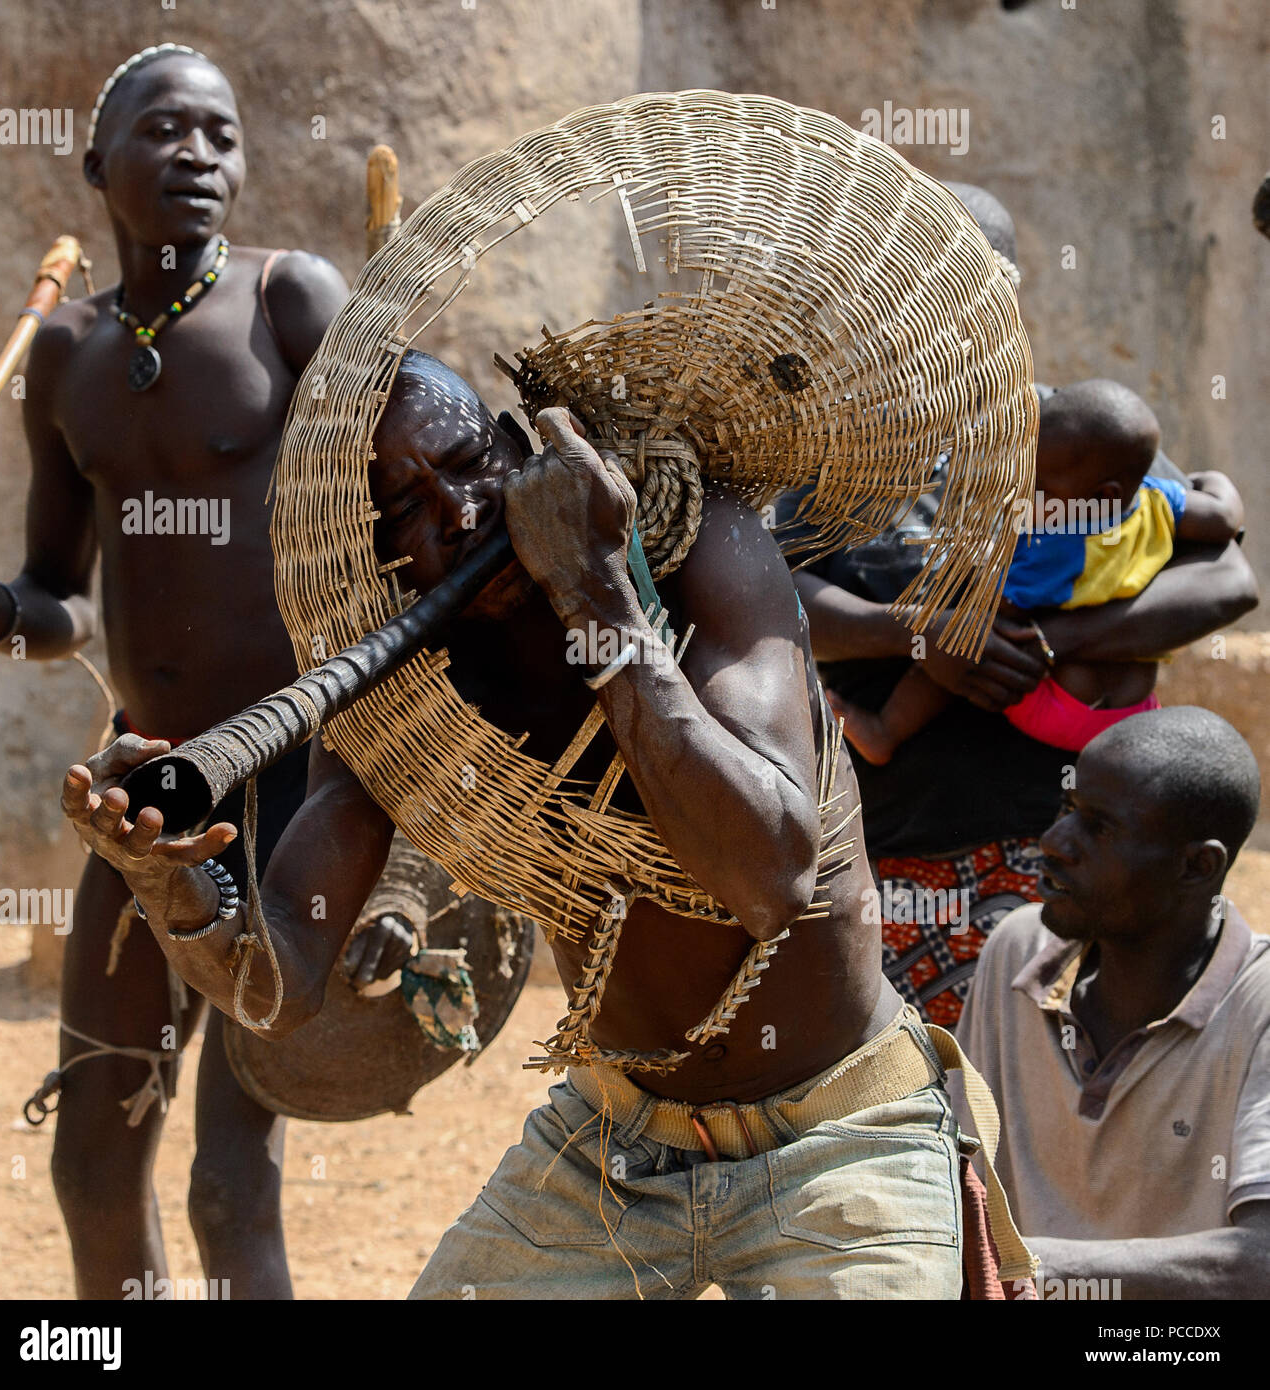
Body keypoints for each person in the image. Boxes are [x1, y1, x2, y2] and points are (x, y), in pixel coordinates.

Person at [61, 352, 1028, 1300]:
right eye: (404, 510)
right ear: (374, 555)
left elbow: (771, 876)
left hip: (837, 1131)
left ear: (525, 452)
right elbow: (280, 990)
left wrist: (597, 592)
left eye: (471, 464)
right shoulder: (402, 699)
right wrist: (167, 878)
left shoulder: (695, 546)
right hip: (615, 1144)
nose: (460, 514)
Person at [0, 44, 381, 1298]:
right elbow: (61, 604)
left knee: (226, 1178)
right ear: (98, 166)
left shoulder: (288, 301)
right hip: (145, 798)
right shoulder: (66, 355)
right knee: (94, 1159)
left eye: (221, 135)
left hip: (289, 789)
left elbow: (406, 498)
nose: (198, 156)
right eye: (164, 131)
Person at [793, 184, 1259, 1026]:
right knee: (911, 1133)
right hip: (882, 863)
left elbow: (1225, 579)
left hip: (1059, 856)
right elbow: (767, 597)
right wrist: (920, 634)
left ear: (1001, 297)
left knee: (1053, 1128)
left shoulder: (1070, 438)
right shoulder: (830, 452)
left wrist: (1048, 636)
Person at [950, 707, 1270, 1299]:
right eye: (1067, 810)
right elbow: (953, 1178)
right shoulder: (1017, 951)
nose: (1053, 843)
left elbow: (1262, 1263)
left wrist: (1032, 1269)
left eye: (1099, 828)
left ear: (1198, 866)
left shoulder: (1260, 1003)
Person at [831, 380, 1244, 763]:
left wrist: (954, 613)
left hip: (1058, 708)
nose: (1023, 494)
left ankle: (886, 730)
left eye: (1039, 487)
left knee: (959, 642)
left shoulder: (1053, 549)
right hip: (1132, 715)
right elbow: (1224, 518)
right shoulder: (1161, 500)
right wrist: (1214, 480)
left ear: (1103, 495)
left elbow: (998, 623)